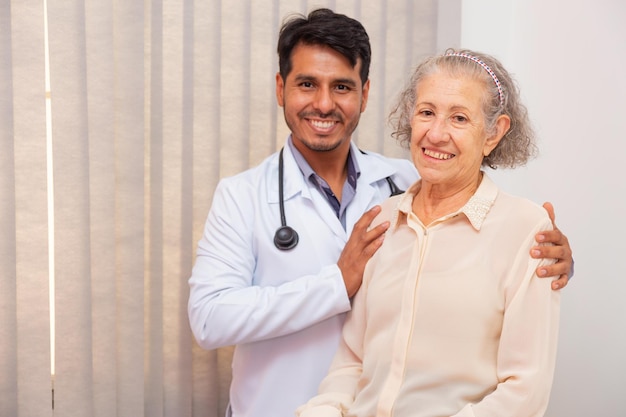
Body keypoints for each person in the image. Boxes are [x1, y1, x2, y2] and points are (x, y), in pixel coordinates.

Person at [187, 9, 573, 417]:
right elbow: (210, 319)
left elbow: (490, 235)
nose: (323, 103)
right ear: (281, 88)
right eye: (306, 84)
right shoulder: (241, 195)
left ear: (364, 94)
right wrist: (336, 283)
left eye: (341, 87)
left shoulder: (405, 180)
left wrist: (548, 255)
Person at [296, 49, 563, 417]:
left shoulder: (526, 231)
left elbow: (525, 390)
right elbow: (353, 362)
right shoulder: (382, 221)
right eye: (426, 112)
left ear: (493, 133)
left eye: (459, 118)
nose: (436, 134)